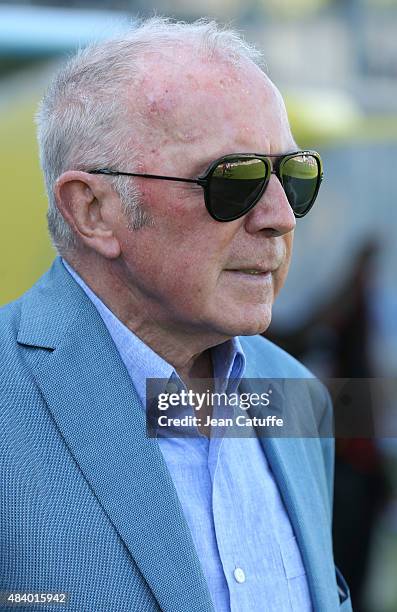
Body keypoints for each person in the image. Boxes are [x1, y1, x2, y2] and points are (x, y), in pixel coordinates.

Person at [0, 18, 352, 612]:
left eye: (295, 177)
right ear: (93, 210)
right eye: (234, 180)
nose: (280, 217)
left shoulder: (297, 394)